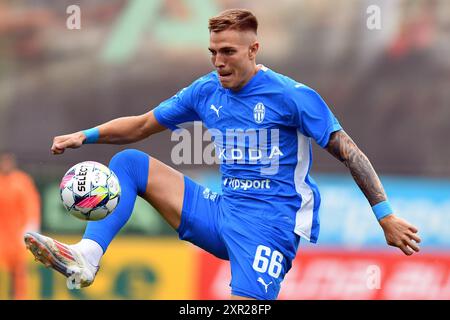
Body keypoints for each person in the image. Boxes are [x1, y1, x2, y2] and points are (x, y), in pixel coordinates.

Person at [24, 9, 421, 300]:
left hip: (269, 228)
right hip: (220, 211)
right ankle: (87, 258)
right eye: (213, 51)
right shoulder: (205, 90)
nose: (218, 61)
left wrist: (385, 216)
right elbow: (143, 125)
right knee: (129, 164)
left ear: (254, 50)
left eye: (228, 52)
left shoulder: (291, 96)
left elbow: (350, 152)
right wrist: (86, 135)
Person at [0, 150, 41, 299]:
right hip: (2, 236)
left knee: (19, 272)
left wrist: (31, 226)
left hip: (17, 235)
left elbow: (31, 205)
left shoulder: (22, 180)